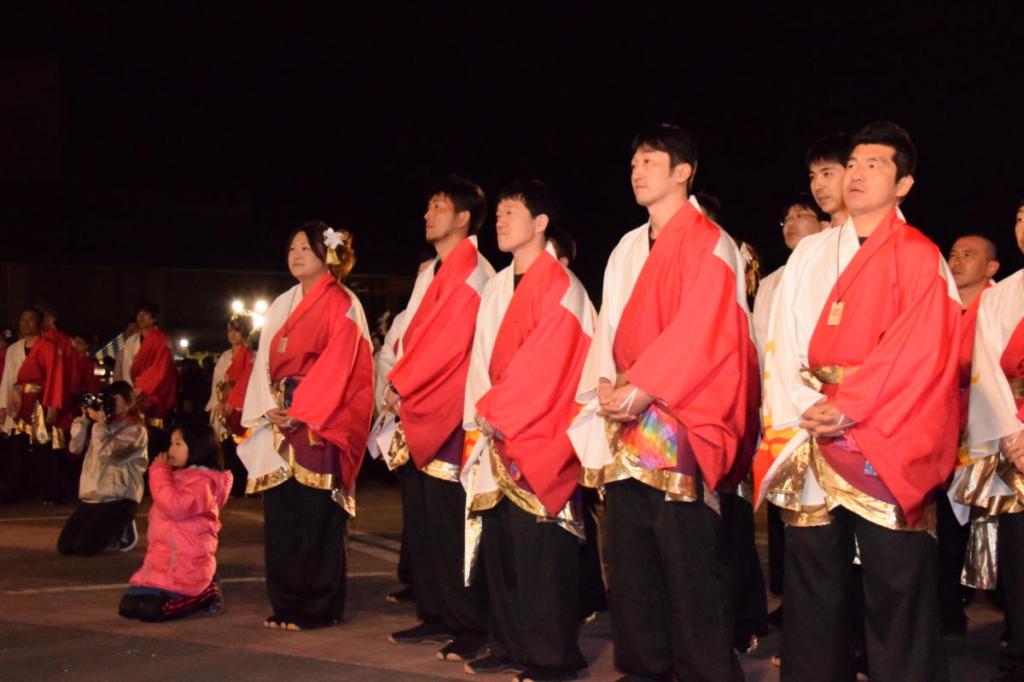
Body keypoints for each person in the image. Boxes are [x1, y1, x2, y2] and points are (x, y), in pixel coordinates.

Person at [761, 121, 960, 682]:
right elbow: (783, 339)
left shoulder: (920, 255)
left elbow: (922, 348)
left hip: (887, 431)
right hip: (812, 424)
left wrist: (850, 405)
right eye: (852, 163)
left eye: (875, 164)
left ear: (904, 184)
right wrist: (803, 403)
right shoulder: (811, 253)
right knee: (812, 579)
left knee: (896, 583)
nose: (857, 173)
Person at [569, 123, 757, 681]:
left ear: (683, 172)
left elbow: (704, 328)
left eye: (650, 161)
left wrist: (643, 388)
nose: (637, 171)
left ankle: (704, 670)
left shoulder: (711, 241)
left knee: (687, 558)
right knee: (630, 556)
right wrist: (605, 384)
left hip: (681, 413)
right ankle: (643, 666)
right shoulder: (628, 245)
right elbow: (608, 325)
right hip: (627, 411)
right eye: (634, 163)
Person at [461, 180, 594, 681]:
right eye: (498, 212)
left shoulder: (564, 285)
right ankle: (508, 642)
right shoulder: (498, 285)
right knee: (502, 547)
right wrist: (483, 413)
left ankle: (552, 655)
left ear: (540, 223)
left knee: (542, 553)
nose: (500, 219)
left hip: (542, 432)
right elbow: (481, 357)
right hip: (496, 427)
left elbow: (551, 363)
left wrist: (498, 410)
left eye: (511, 211)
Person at [378, 175, 494, 661]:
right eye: (427, 206)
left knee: (452, 524)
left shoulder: (475, 274)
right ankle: (436, 612)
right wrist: (396, 380)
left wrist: (400, 382)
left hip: (450, 412)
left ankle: (472, 622)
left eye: (438, 206)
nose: (428, 214)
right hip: (420, 405)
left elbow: (449, 345)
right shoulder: (436, 271)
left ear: (464, 217)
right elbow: (409, 334)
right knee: (425, 523)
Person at [238, 220, 374, 631]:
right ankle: (286, 602)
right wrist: (268, 406)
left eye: (305, 248)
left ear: (325, 254)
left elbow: (341, 364)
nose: (296, 255)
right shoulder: (283, 303)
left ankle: (319, 607)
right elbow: (263, 362)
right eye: (292, 248)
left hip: (320, 423)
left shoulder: (343, 302)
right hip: (281, 418)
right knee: (282, 518)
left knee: (317, 518)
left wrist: (304, 408)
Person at [954, 201, 1024, 680]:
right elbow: (987, 369)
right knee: (1018, 551)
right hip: (1014, 434)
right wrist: (1012, 433)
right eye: (1019, 218)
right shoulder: (1005, 296)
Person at [940, 233, 1000, 635]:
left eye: (969, 255)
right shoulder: (938, 304)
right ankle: (946, 605)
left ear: (991, 267)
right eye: (953, 254)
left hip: (988, 431)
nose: (957, 261)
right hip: (941, 430)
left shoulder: (999, 305)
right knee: (945, 523)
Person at [118, 421, 231, 622]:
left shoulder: (203, 482)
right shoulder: (176, 476)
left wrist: (159, 472)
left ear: (197, 447)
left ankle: (205, 594)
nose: (171, 449)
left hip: (186, 567)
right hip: (160, 564)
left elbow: (175, 507)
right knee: (129, 608)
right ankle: (169, 590)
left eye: (178, 444)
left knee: (153, 612)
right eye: (171, 443)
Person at [57, 381, 147, 555]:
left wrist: (100, 423)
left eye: (116, 399)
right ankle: (114, 526)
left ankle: (123, 529)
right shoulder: (103, 426)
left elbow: (109, 454)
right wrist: (82, 423)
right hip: (94, 496)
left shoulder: (136, 429)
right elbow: (74, 449)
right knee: (66, 546)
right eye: (108, 399)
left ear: (129, 402)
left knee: (85, 547)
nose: (110, 403)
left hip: (120, 496)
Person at [0, 307, 67, 503]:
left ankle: (50, 489)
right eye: (23, 320)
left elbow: (55, 377)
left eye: (30, 320)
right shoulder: (13, 349)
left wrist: (53, 405)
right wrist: (3, 405)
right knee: (17, 444)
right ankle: (16, 489)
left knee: (43, 446)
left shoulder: (48, 347)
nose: (25, 323)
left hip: (40, 400)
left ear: (39, 324)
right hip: (19, 399)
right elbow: (8, 378)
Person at [206, 315, 255, 496]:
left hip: (241, 408)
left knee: (240, 448)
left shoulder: (251, 356)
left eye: (236, 331)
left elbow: (247, 382)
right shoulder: (225, 356)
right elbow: (217, 381)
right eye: (229, 331)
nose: (232, 335)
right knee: (224, 448)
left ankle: (241, 486)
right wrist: (218, 402)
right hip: (223, 406)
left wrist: (233, 402)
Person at [807, 132, 852, 227]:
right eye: (812, 177)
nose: (817, 187)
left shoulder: (878, 231)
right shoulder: (814, 238)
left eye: (827, 174)